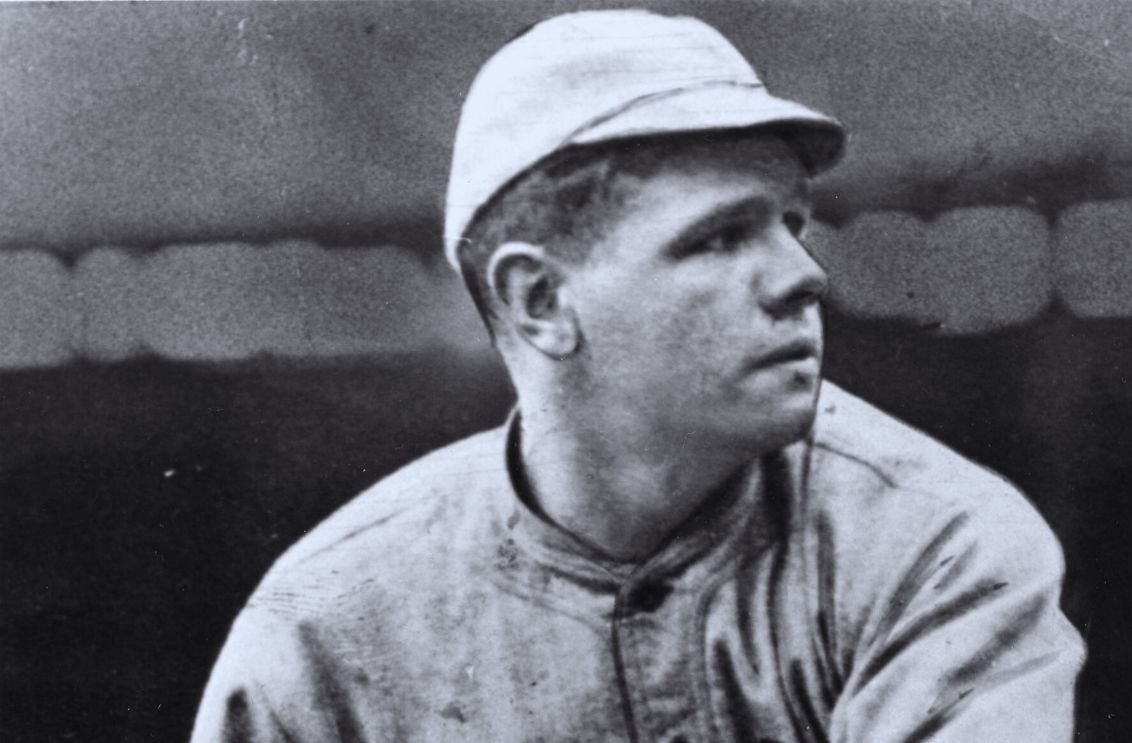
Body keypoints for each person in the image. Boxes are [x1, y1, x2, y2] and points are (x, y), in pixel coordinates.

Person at [191, 9, 1084, 742]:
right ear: (539, 298)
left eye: (789, 223)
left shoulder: (933, 546)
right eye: (720, 237)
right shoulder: (324, 629)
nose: (803, 275)